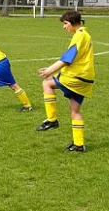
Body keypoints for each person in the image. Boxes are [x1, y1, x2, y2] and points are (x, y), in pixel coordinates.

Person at [36, 10, 95, 153]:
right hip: (86, 79)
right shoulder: (85, 34)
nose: (64, 27)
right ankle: (79, 144)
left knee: (47, 83)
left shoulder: (79, 36)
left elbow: (67, 59)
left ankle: (52, 120)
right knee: (75, 111)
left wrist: (49, 70)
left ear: (73, 23)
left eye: (66, 23)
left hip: (76, 77)